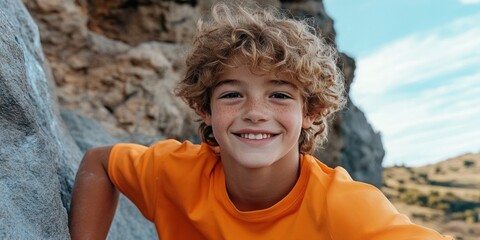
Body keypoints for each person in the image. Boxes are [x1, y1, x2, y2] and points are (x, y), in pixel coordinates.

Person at [69, 2, 452, 239]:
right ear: (204, 109)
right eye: (232, 94)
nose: (255, 111)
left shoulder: (342, 206)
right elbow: (100, 164)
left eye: (280, 95)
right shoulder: (175, 173)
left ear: (311, 112)